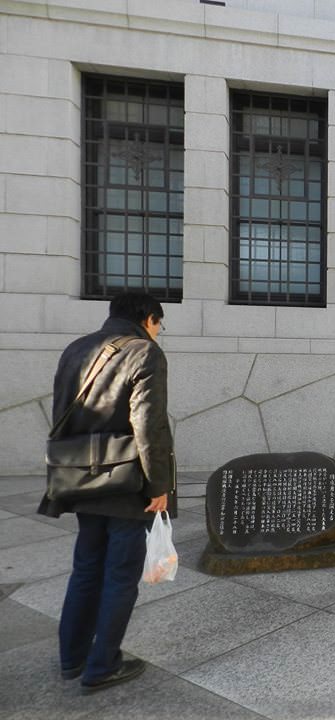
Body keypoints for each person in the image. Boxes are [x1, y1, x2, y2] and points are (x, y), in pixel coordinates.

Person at [38, 292, 176, 694]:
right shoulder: (144, 352)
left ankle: (72, 658)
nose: (158, 331)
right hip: (126, 481)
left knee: (86, 568)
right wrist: (159, 486)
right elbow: (148, 424)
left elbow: (62, 414)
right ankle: (103, 666)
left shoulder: (76, 349)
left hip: (82, 477)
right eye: (159, 324)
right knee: (120, 575)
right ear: (148, 319)